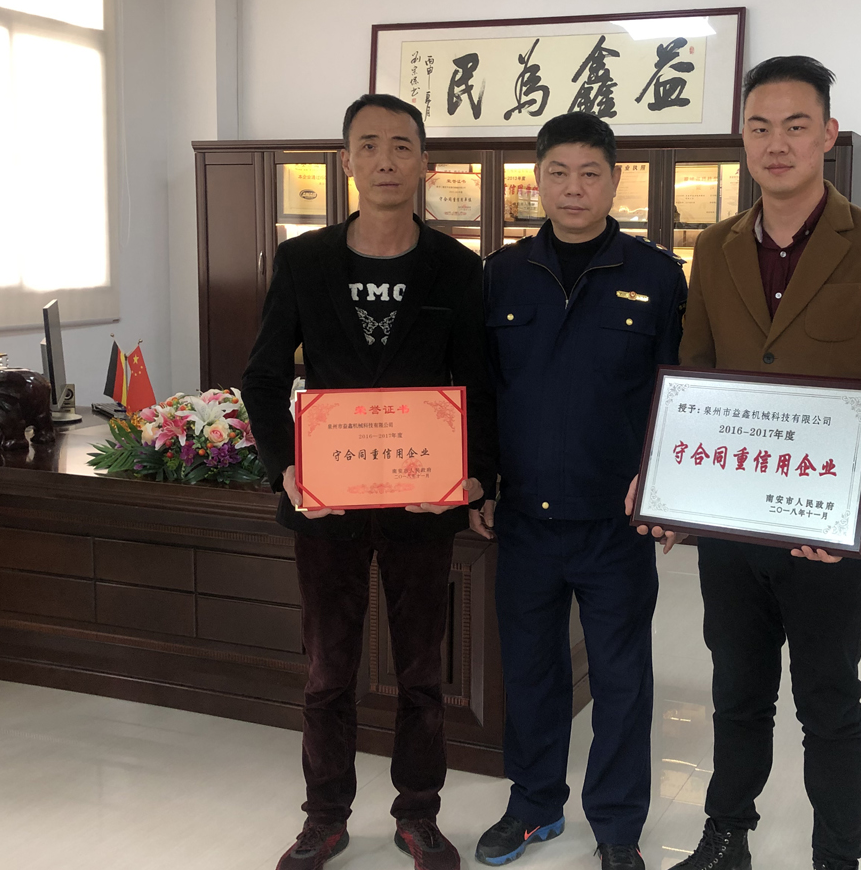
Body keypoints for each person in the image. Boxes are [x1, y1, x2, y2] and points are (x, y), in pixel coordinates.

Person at [652, 56, 861, 870]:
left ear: (828, 135)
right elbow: (695, 378)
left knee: (830, 703)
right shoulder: (714, 248)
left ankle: (838, 856)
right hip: (733, 529)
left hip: (822, 530)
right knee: (736, 693)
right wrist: (673, 486)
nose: (777, 144)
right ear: (743, 139)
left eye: (796, 126)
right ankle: (726, 835)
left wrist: (858, 502)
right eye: (760, 127)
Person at [242, 93, 496, 870]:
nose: (386, 160)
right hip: (329, 502)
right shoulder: (304, 261)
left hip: (421, 502)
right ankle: (324, 817)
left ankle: (419, 814)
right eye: (370, 145)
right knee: (328, 673)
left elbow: (480, 384)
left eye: (402, 146)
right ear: (347, 160)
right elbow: (262, 378)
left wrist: (474, 477)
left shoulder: (457, 267)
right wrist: (286, 465)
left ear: (425, 162)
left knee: (422, 674)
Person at [469, 112, 687, 870]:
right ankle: (533, 805)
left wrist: (664, 491)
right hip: (524, 517)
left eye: (590, 173)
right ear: (536, 180)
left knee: (622, 679)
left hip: (615, 523)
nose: (573, 188)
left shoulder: (656, 276)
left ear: (615, 181)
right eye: (557, 172)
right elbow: (483, 392)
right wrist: (482, 480)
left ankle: (619, 826)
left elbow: (676, 395)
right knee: (531, 671)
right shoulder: (502, 274)